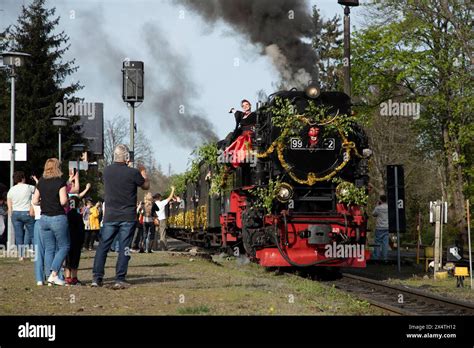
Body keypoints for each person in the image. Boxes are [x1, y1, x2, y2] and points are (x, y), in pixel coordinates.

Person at [92, 144, 149, 289]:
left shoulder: (106, 171)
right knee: (125, 248)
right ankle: (120, 278)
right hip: (127, 216)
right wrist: (143, 172)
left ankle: (97, 278)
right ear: (127, 157)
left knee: (103, 247)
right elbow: (146, 186)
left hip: (110, 215)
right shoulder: (133, 173)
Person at [32, 158, 70, 286]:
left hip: (44, 219)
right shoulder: (60, 181)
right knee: (64, 246)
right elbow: (63, 201)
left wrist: (45, 202)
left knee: (49, 248)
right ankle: (54, 274)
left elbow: (35, 201)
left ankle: (49, 277)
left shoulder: (41, 182)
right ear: (57, 167)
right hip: (58, 217)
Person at [7, 171, 36, 260]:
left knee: (18, 235)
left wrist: (11, 211)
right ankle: (37, 252)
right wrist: (35, 179)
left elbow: (9, 201)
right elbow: (38, 190)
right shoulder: (28, 187)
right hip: (27, 212)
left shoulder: (12, 189)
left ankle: (21, 255)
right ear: (23, 178)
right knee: (33, 234)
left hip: (15, 213)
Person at [224, 99, 257, 168]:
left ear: (250, 105)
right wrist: (233, 110)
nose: (245, 106)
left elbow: (245, 120)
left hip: (250, 134)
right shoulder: (242, 115)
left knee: (241, 139)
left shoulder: (254, 114)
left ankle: (241, 158)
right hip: (242, 134)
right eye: (243, 106)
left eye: (247, 104)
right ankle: (232, 158)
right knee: (234, 139)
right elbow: (237, 113)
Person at [64, 195, 85, 286]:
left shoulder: (66, 216)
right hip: (76, 240)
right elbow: (81, 230)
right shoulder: (78, 216)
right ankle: (74, 277)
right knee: (75, 259)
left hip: (67, 239)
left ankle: (67, 277)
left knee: (68, 259)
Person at [154, 186, 175, 251]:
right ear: (159, 198)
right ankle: (162, 248)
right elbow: (169, 198)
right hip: (162, 219)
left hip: (155, 220)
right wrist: (173, 190)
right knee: (162, 234)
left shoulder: (153, 204)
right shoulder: (162, 203)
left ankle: (154, 248)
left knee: (155, 234)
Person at [372, 195, 389, 263]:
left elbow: (373, 214)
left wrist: (377, 205)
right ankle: (385, 258)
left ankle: (376, 257)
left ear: (380, 200)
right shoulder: (389, 207)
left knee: (377, 242)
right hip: (387, 227)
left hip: (379, 227)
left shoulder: (378, 208)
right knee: (385, 243)